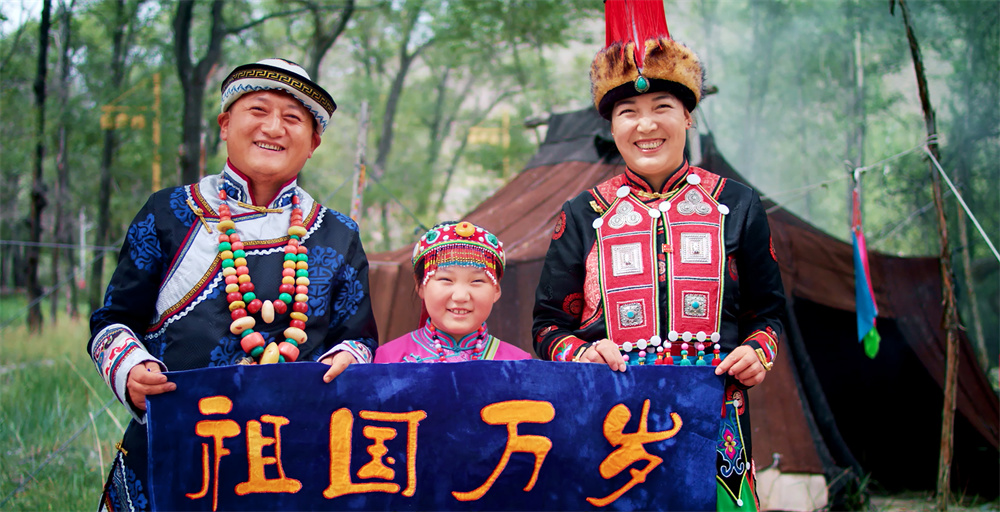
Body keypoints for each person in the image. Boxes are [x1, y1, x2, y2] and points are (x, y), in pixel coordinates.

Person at [87, 58, 378, 511]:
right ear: (225, 125)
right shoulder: (169, 213)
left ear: (313, 143)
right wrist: (130, 370)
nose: (274, 128)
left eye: (293, 118)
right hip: (177, 449)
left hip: (292, 457)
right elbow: (112, 321)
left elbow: (358, 338)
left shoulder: (338, 233)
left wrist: (348, 360)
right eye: (258, 110)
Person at [531, 2, 785, 510]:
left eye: (662, 107)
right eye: (628, 112)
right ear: (612, 126)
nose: (645, 125)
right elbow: (546, 328)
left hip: (716, 424)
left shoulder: (737, 204)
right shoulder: (582, 214)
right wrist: (582, 353)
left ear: (688, 115)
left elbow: (769, 313)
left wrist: (758, 351)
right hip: (614, 427)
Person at [374, 221, 531, 363]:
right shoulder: (390, 359)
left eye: (477, 281)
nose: (461, 296)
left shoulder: (519, 363)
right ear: (420, 286)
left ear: (496, 289)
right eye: (446, 279)